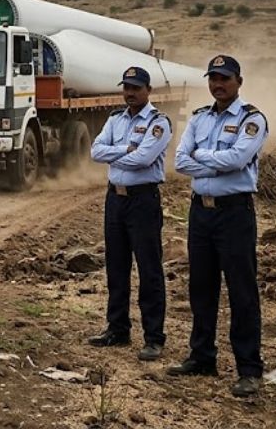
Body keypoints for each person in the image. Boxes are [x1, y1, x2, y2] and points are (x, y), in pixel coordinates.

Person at [169, 55, 269, 398]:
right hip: (201, 213)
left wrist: (202, 159)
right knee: (201, 287)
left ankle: (249, 370)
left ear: (238, 81)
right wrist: (214, 163)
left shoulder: (251, 119)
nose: (217, 84)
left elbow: (238, 160)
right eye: (213, 78)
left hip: (234, 214)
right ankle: (202, 357)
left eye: (224, 78)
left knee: (241, 292)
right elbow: (180, 160)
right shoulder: (199, 118)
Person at [87, 66, 172, 362]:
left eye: (136, 87)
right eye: (126, 87)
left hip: (143, 201)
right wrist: (127, 148)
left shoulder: (159, 122)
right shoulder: (115, 119)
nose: (130, 93)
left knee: (149, 270)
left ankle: (153, 338)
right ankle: (117, 328)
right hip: (116, 199)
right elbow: (95, 152)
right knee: (116, 267)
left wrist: (119, 153)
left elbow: (144, 158)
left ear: (148, 90)